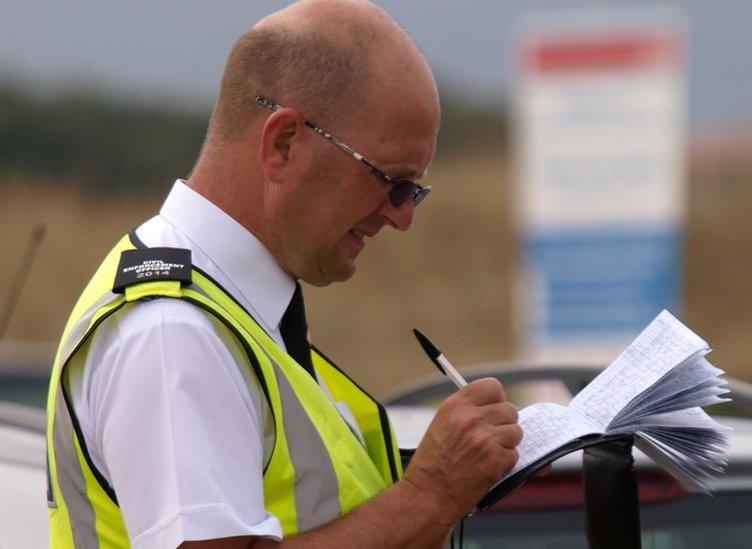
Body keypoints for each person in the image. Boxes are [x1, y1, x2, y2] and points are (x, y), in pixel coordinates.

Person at [45, 1, 523, 547]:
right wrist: (429, 494)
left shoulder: (239, 312)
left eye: (414, 191)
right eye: (391, 181)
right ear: (284, 144)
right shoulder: (173, 331)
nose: (403, 216)